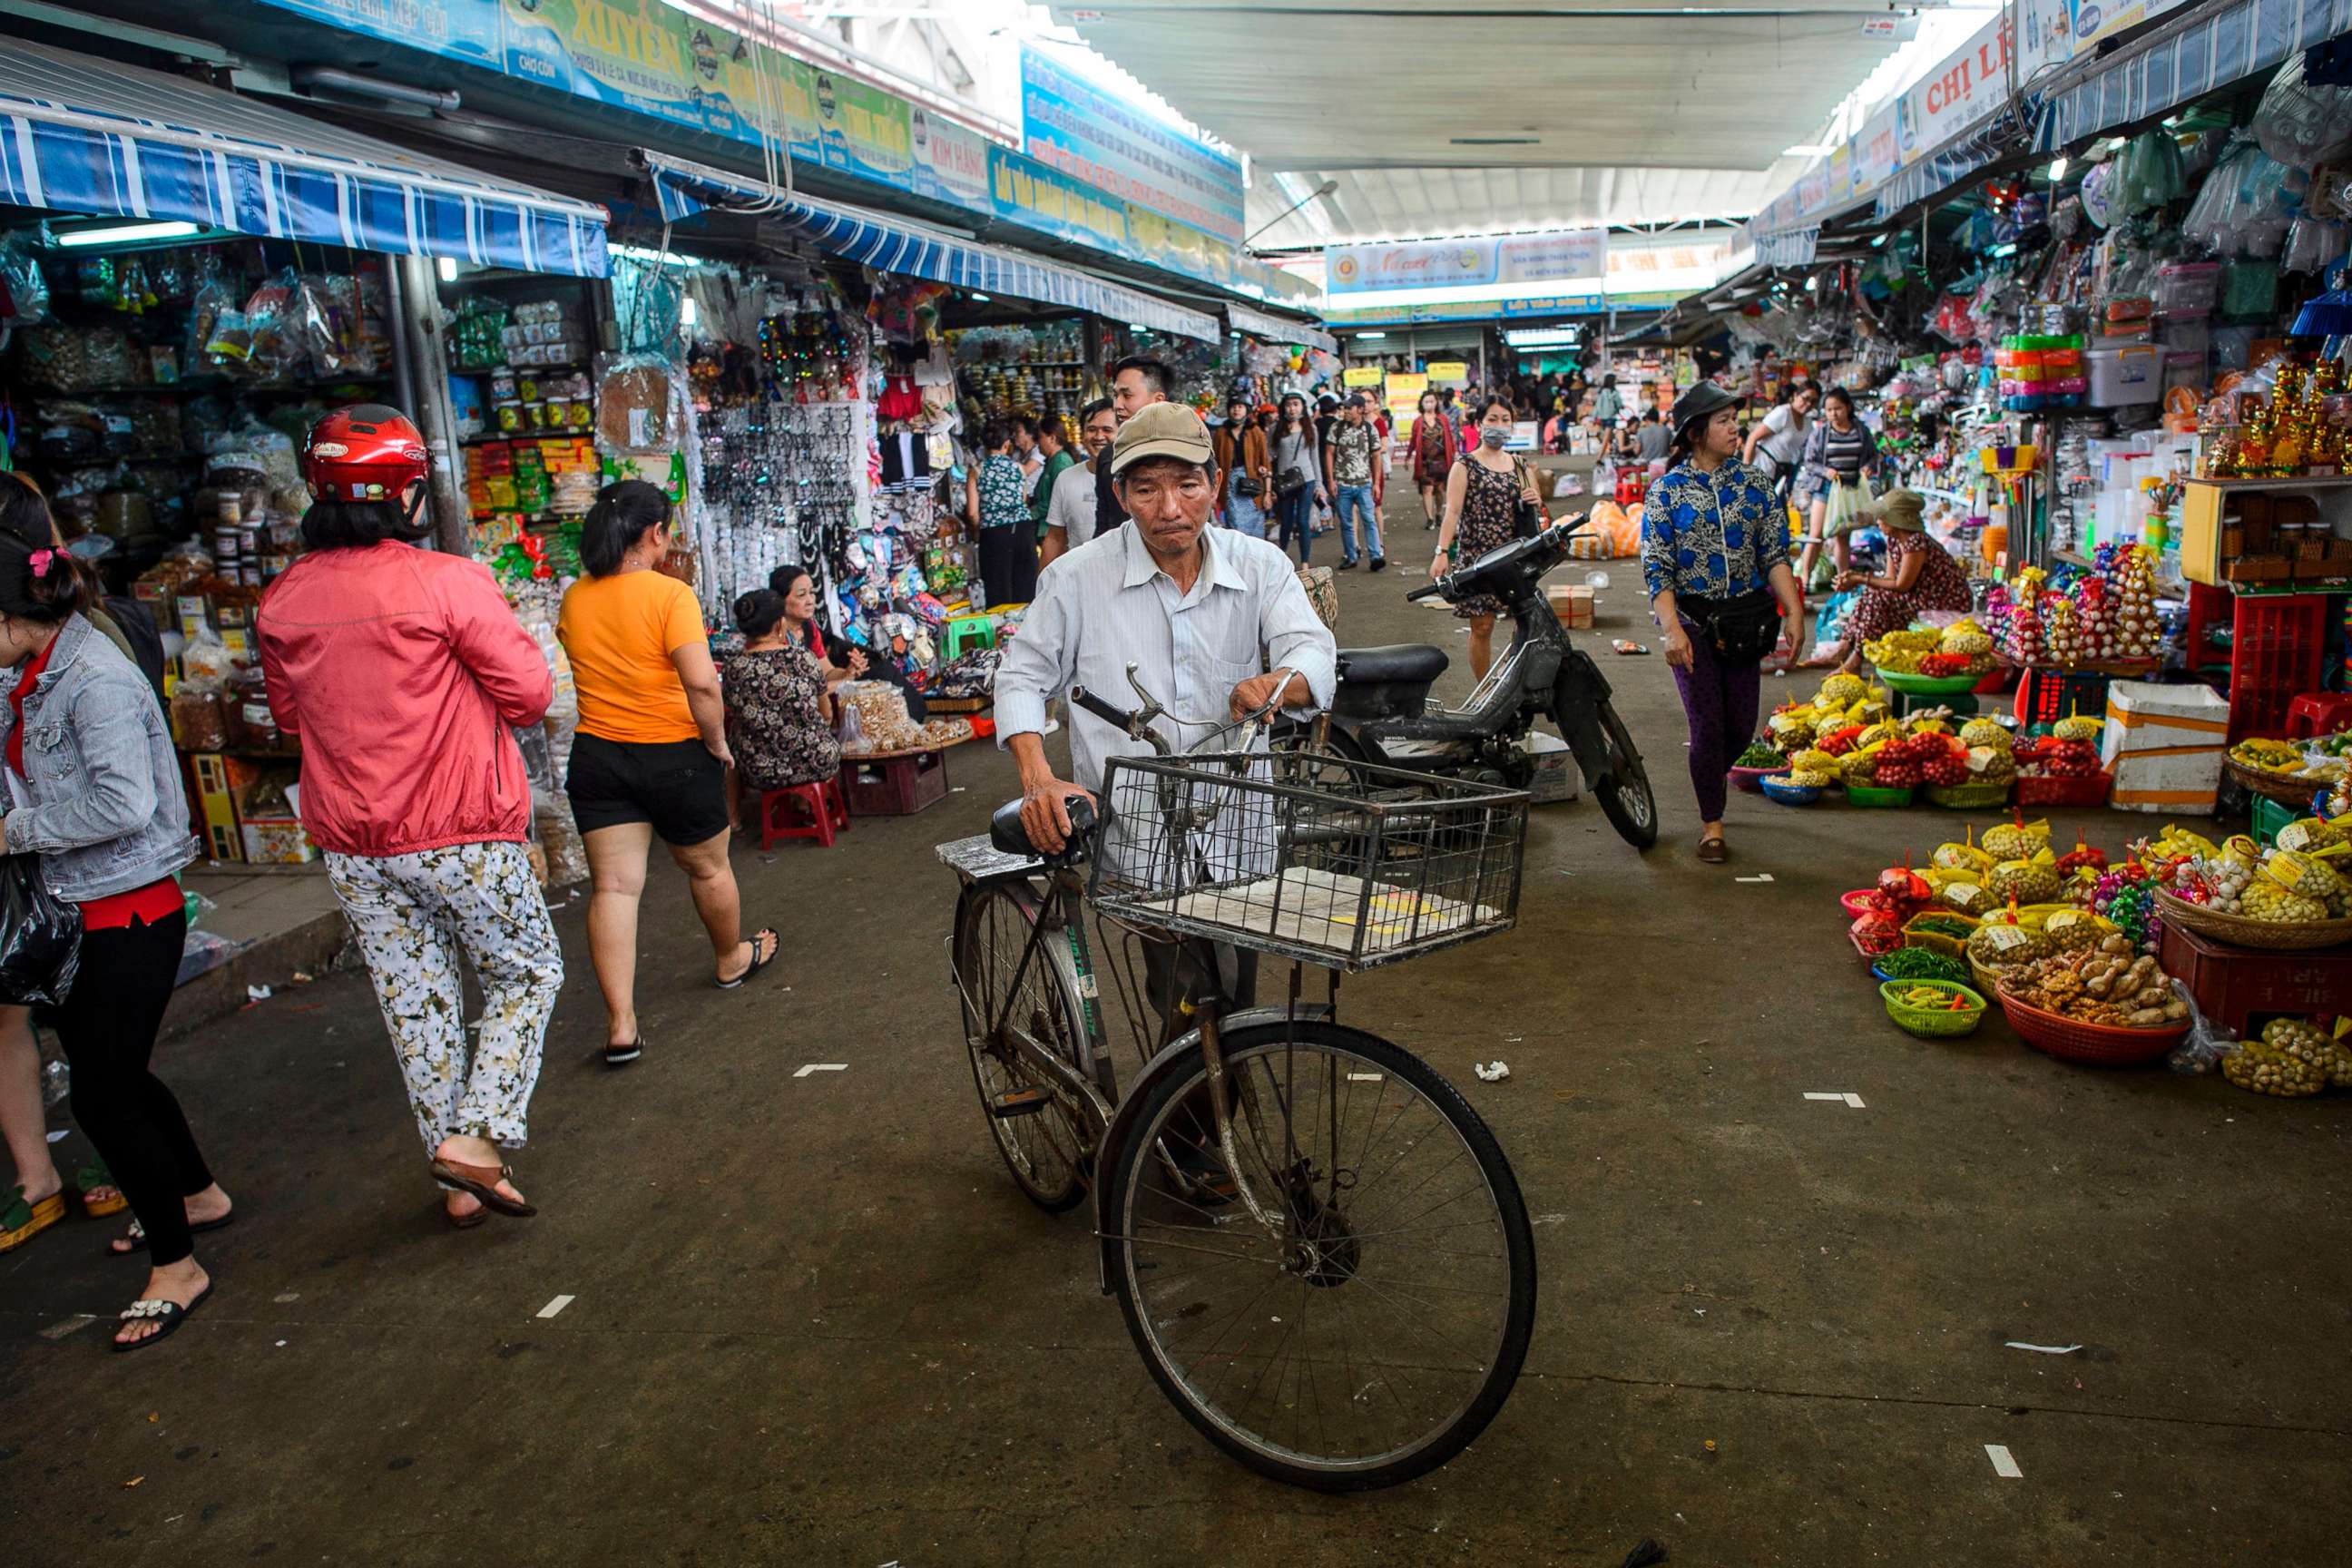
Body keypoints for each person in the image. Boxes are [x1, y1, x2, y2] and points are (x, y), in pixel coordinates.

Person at [257, 406, 562, 1230]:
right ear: (410, 494)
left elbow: (290, 720)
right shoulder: (447, 581)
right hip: (462, 828)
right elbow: (530, 697)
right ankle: (478, 1136)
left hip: (356, 845)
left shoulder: (282, 600)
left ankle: (459, 1185)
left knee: (415, 1002)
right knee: (525, 972)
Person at [995, 401, 1336, 1031]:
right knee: (1183, 1006)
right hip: (1139, 831)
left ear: (1212, 484)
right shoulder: (1074, 578)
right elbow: (1020, 675)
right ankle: (1181, 1129)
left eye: (1186, 485)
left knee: (1239, 1001)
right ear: (1121, 494)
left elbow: (1313, 651)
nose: (1170, 508)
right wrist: (1038, 776)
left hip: (1239, 823)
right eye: (1147, 489)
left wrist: (1279, 682)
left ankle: (1206, 1118)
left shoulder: (1259, 564)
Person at [0, 532, 227, 1348]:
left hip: (127, 913)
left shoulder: (91, 677)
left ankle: (179, 1265)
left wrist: (12, 832)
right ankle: (197, 1194)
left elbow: (124, 805)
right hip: (73, 910)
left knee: (100, 1093)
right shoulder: (23, 674)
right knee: (117, 1076)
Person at [558, 480, 778, 1070]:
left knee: (614, 888)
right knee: (707, 866)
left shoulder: (575, 597)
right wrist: (718, 744)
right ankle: (731, 958)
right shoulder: (669, 595)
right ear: (655, 534)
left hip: (599, 757)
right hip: (675, 753)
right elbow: (702, 683)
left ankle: (621, 1024)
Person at [1641, 384, 1805, 866]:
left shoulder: (1754, 484)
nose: (1736, 428)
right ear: (1696, 433)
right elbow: (1658, 568)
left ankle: (1711, 778)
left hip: (1746, 622)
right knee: (1708, 727)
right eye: (1723, 421)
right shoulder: (1665, 492)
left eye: (1735, 419)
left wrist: (1793, 610)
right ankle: (1712, 823)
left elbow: (1774, 553)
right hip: (1692, 621)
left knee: (1741, 727)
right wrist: (1670, 628)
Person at [1430, 397, 1545, 682]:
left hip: (1515, 558)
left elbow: (1536, 511)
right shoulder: (1465, 465)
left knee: (1524, 624)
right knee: (1482, 626)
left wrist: (1535, 497)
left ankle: (1511, 680)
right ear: (1478, 424)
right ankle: (1485, 688)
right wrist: (1441, 551)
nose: (1499, 425)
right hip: (1478, 559)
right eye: (1492, 419)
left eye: (1505, 420)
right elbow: (1452, 512)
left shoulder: (1521, 466)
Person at [1807, 489, 1973, 674]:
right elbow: (1889, 579)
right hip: (1918, 596)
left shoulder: (1916, 543)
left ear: (1896, 519)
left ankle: (1855, 659)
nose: (1878, 521)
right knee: (1872, 593)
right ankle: (1844, 648)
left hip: (1942, 601)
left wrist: (1860, 578)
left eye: (1882, 517)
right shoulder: (1895, 542)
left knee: (1877, 598)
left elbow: (1902, 585)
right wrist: (1857, 579)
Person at [723, 589, 847, 790]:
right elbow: (826, 714)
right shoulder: (802, 658)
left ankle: (734, 819)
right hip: (816, 762)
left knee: (733, 734)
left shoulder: (733, 667)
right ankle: (804, 804)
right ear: (780, 624)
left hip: (758, 771)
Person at [1794, 387, 1882, 593]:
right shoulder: (1821, 433)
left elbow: (1872, 455)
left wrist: (1868, 467)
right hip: (1825, 488)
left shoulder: (1861, 430)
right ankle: (1805, 580)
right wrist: (1826, 471)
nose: (1833, 413)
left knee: (1843, 536)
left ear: (1848, 407)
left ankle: (1844, 582)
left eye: (1838, 409)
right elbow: (1810, 461)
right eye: (1829, 409)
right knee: (1817, 535)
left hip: (1850, 489)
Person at [1092, 355, 1175, 537]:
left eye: (1127, 395)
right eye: (1115, 395)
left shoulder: (1186, 451)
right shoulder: (1108, 456)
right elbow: (1103, 520)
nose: (1117, 405)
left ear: (1158, 400)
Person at [968, 418, 1037, 605]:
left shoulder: (977, 470)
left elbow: (973, 513)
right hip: (1022, 530)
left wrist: (981, 528)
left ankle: (1002, 631)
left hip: (994, 534)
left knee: (998, 590)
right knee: (1025, 588)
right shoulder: (1019, 469)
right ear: (1007, 445)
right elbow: (1023, 500)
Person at [1041, 398, 1117, 567]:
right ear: (1082, 435)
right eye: (1091, 430)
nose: (1098, 437)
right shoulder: (1066, 479)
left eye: (1107, 430)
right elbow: (1055, 537)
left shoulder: (1131, 478)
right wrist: (1043, 590)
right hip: (1081, 579)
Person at [1323, 394, 1387, 571]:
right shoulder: (1336, 428)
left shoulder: (1369, 429)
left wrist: (1375, 483)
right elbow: (1328, 453)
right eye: (1344, 408)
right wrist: (1331, 480)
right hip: (1342, 484)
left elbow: (1376, 457)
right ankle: (1351, 556)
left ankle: (1375, 556)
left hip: (1364, 484)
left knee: (1369, 519)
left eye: (1349, 408)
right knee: (1346, 522)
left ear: (1359, 409)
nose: (1345, 411)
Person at [1269, 393, 1327, 564]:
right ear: (1283, 407)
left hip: (1306, 480)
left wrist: (1319, 484)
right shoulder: (1276, 428)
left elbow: (1315, 457)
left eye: (1296, 404)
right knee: (1286, 522)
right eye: (1288, 405)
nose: (1292, 408)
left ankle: (1305, 563)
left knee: (1303, 521)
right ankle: (1283, 557)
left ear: (1302, 406)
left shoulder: (1310, 427)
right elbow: (1269, 453)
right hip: (1284, 481)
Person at [1743, 380, 1818, 502]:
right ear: (1795, 395)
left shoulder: (1808, 421)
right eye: (1805, 398)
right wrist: (1745, 471)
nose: (1808, 404)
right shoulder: (1783, 413)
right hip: (1764, 470)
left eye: (1813, 401)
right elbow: (1753, 437)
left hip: (1784, 473)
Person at [1212, 394, 1271, 541]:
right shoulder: (1221, 433)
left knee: (1257, 531)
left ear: (1247, 410)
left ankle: (1258, 563)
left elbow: (1265, 463)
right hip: (1230, 487)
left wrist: (1268, 493)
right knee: (1236, 530)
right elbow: (1214, 463)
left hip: (1253, 486)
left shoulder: (1255, 431)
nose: (1236, 410)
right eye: (1233, 407)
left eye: (1240, 407)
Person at [1406, 388, 1456, 529]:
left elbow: (1450, 438)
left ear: (1436, 403)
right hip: (1424, 462)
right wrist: (1408, 456)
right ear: (1422, 404)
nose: (1429, 404)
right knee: (1426, 490)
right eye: (1426, 401)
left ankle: (1439, 513)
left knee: (1439, 490)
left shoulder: (1443, 419)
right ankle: (1429, 518)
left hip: (1441, 461)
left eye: (1432, 401)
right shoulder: (1418, 422)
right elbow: (1412, 440)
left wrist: (1454, 454)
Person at [1029, 414, 1074, 542]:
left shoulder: (1061, 462)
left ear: (1052, 438)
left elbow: (1061, 500)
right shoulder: (1052, 461)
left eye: (1040, 437)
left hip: (1054, 531)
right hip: (1046, 528)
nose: (1037, 443)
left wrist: (1031, 513)